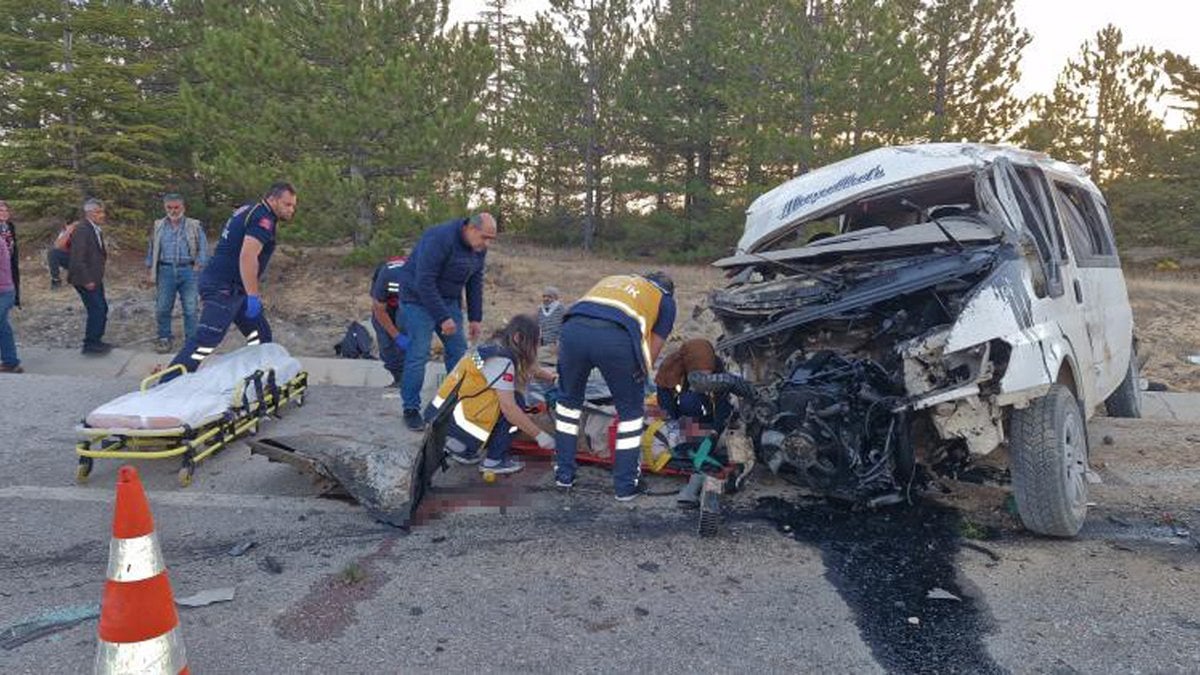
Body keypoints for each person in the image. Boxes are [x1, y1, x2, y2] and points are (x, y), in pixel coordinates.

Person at [553, 272, 676, 500]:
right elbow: (653, 347)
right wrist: (639, 373)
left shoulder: (615, 279)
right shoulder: (665, 300)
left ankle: (564, 475)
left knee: (568, 406)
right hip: (615, 340)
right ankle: (626, 486)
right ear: (668, 289)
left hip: (572, 332)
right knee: (630, 415)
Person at [164, 182, 297, 376]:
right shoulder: (263, 219)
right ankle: (170, 382)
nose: (291, 210)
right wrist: (253, 296)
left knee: (260, 334)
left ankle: (257, 377)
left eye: (293, 206)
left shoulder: (250, 209)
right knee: (206, 339)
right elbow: (247, 257)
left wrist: (248, 294)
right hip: (223, 287)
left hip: (235, 287)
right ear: (273, 199)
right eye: (287, 204)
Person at [398, 212, 496, 430]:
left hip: (449, 298)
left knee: (459, 351)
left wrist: (475, 318)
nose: (487, 243)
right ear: (470, 228)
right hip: (417, 298)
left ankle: (455, 403)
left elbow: (474, 282)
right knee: (419, 352)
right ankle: (411, 409)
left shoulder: (478, 248)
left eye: (491, 239)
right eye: (485, 237)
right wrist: (442, 317)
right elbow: (424, 281)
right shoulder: (439, 238)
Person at [425, 314, 556, 474]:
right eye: (535, 342)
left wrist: (551, 377)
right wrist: (540, 436)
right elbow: (509, 409)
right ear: (518, 338)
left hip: (441, 414)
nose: (537, 347)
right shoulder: (501, 361)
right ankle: (494, 460)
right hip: (456, 429)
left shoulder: (495, 347)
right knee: (517, 405)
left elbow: (528, 366)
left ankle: (469, 446)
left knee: (510, 400)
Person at [146, 193, 208, 353]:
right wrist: (149, 268)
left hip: (188, 271)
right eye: (169, 207)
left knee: (190, 308)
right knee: (163, 307)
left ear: (183, 207)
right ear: (165, 208)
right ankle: (164, 338)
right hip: (165, 270)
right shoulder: (158, 225)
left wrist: (199, 264)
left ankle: (191, 341)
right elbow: (152, 248)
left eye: (176, 207)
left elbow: (203, 246)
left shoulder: (194, 225)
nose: (173, 211)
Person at [654, 338, 732, 435]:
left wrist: (716, 429)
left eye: (708, 376)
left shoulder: (716, 365)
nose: (704, 380)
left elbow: (722, 401)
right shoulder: (671, 368)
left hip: (706, 406)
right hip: (684, 407)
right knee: (688, 401)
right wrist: (674, 425)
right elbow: (665, 402)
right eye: (700, 375)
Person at [69, 198, 112, 355]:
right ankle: (90, 345)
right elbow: (77, 258)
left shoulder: (94, 228)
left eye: (102, 211)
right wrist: (87, 280)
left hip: (95, 278)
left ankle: (96, 341)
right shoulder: (82, 229)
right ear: (90, 213)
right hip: (85, 279)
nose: (102, 215)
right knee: (97, 309)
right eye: (99, 212)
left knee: (101, 308)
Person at [369, 255, 410, 387]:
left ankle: (407, 378)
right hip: (384, 307)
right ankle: (398, 377)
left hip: (408, 305)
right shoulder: (385, 276)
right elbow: (379, 309)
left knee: (403, 323)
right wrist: (396, 336)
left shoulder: (420, 278)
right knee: (386, 343)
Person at [0, 200, 21, 373]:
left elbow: (12, 259)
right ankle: (11, 362)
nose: (4, 212)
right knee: (2, 325)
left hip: (5, 286)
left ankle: (10, 361)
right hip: (6, 285)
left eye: (6, 209)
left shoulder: (8, 229)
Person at [48, 217, 76, 290]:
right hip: (72, 259)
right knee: (53, 253)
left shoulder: (84, 231)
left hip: (85, 262)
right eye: (68, 224)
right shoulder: (65, 232)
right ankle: (56, 279)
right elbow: (57, 246)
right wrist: (68, 231)